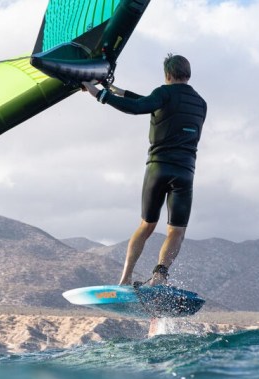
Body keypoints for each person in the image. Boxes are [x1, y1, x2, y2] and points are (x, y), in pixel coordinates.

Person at [83, 53, 207, 286]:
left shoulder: (162, 93)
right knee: (176, 231)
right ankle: (160, 276)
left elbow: (140, 107)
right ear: (188, 74)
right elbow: (155, 105)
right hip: (185, 173)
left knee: (147, 225)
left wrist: (99, 94)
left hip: (158, 169)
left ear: (167, 74)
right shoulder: (201, 103)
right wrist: (116, 90)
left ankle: (126, 278)